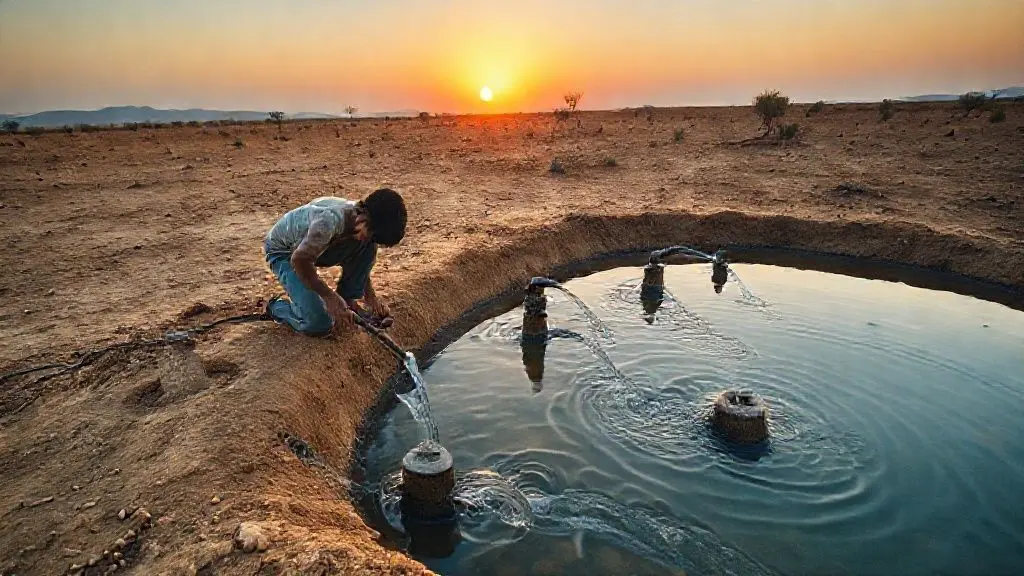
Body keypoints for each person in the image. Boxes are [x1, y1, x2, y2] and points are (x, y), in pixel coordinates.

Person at [262, 189, 407, 336]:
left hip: (317, 248)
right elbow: (300, 260)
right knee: (318, 324)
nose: (369, 238)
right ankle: (277, 307)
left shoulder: (359, 224)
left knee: (368, 246)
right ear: (364, 217)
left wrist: (371, 297)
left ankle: (347, 300)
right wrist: (329, 297)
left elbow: (362, 261)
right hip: (286, 253)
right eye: (371, 233)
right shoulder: (329, 221)